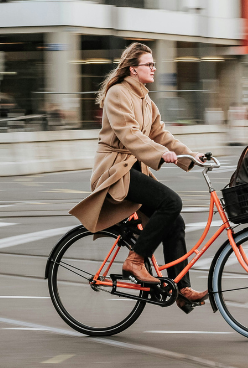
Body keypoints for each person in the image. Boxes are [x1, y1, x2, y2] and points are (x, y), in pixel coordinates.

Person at [70, 42, 208, 312]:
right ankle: (135, 260)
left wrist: (191, 156)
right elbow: (130, 135)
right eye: (149, 64)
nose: (154, 68)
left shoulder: (145, 99)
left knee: (175, 223)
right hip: (115, 170)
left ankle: (181, 289)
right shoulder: (118, 94)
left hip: (133, 170)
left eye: (154, 63)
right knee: (171, 202)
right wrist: (160, 154)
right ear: (133, 69)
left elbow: (161, 135)